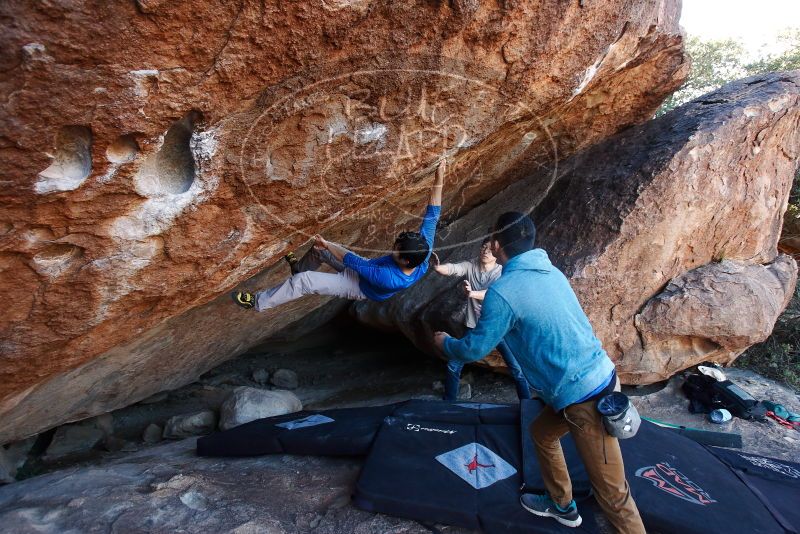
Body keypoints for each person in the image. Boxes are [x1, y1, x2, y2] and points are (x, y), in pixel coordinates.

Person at [433, 212, 644, 532]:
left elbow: (473, 349)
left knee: (613, 495)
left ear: (496, 244)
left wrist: (445, 343)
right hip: (593, 378)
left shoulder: (504, 292)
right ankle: (562, 505)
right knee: (542, 433)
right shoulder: (551, 272)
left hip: (586, 398)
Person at [232, 160, 446, 311]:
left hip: (359, 286)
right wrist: (440, 175)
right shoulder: (422, 250)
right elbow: (433, 214)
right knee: (318, 252)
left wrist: (328, 244)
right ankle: (298, 268)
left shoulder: (389, 279)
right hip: (368, 269)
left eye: (397, 250)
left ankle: (258, 302)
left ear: (406, 260)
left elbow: (349, 259)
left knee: (305, 281)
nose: (393, 249)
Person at [431, 238, 531, 401]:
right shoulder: (472, 265)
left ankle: (526, 405)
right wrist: (437, 267)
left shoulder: (502, 272)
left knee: (517, 369)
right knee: (454, 364)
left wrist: (471, 294)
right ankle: (449, 402)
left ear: (497, 252)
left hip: (500, 328)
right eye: (483, 248)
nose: (485, 251)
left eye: (489, 249)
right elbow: (454, 268)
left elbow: (492, 294)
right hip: (474, 326)